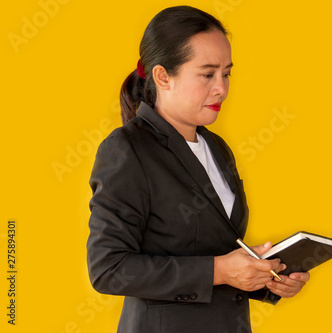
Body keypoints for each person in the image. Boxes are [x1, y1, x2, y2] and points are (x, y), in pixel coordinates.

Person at [86, 6, 309, 333]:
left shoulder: (217, 148)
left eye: (226, 73)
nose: (221, 88)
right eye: (207, 74)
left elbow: (213, 248)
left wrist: (267, 277)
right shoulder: (127, 150)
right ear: (163, 76)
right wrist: (220, 271)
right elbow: (108, 269)